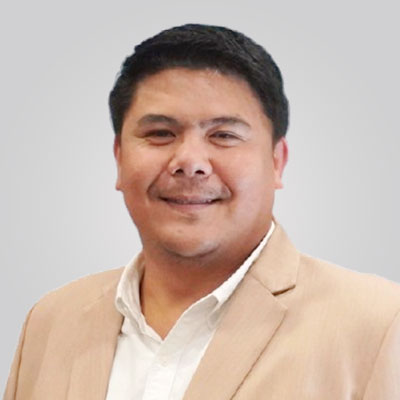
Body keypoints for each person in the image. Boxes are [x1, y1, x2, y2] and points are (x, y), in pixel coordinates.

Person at [4, 24, 400, 400]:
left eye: (223, 135)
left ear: (277, 161)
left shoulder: (381, 324)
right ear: (119, 158)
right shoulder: (51, 320)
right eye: (160, 133)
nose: (190, 162)